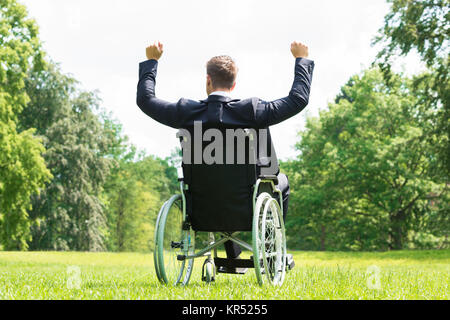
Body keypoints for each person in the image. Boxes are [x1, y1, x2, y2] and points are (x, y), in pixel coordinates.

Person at [137, 41, 314, 270]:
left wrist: (152, 61)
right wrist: (301, 59)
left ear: (208, 80)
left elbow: (146, 100)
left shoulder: (185, 112)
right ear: (234, 83)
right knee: (281, 182)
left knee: (220, 185)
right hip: (246, 203)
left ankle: (231, 256)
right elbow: (298, 99)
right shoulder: (252, 111)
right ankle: (271, 247)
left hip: (202, 206)